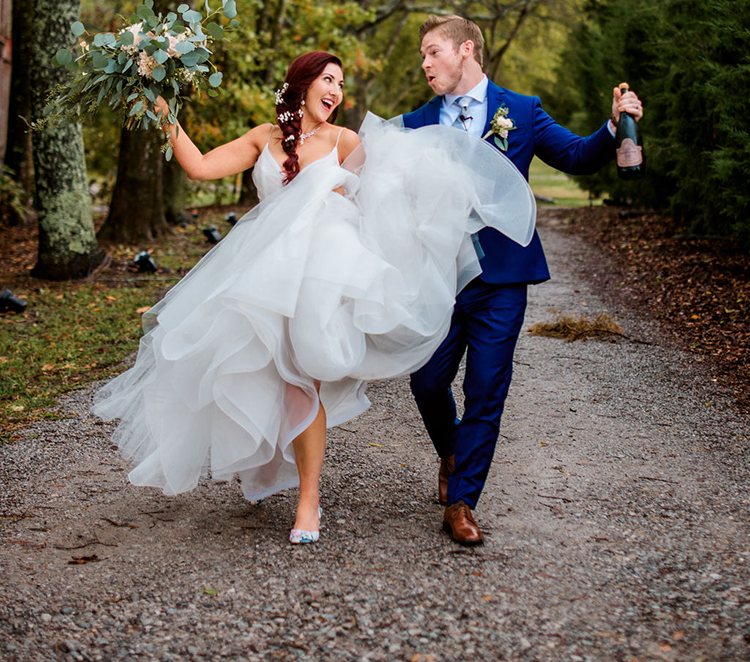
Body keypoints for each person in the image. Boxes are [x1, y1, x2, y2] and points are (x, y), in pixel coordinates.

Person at [94, 50, 536, 545]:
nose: (336, 91)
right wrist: (165, 114)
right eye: (328, 79)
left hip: (319, 279)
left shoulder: (345, 141)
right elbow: (199, 167)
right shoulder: (264, 137)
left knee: (299, 381)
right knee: (262, 374)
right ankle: (278, 471)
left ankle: (308, 500)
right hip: (262, 275)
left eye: (341, 84)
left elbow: (385, 197)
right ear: (302, 83)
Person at [401, 14, 644, 546]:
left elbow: (577, 156)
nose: (424, 64)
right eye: (422, 55)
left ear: (466, 50)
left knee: (486, 388)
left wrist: (611, 128)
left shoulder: (523, 111)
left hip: (503, 279)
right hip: (439, 278)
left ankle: (462, 501)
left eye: (431, 52)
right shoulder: (416, 125)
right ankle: (453, 453)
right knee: (425, 382)